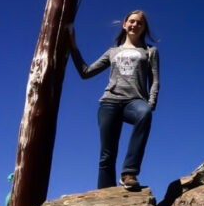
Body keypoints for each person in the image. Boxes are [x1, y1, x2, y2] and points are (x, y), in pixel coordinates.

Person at [67, 10, 160, 190]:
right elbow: (86, 72)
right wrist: (73, 47)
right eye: (132, 21)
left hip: (134, 101)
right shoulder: (113, 52)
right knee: (107, 155)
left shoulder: (150, 51)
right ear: (124, 25)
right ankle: (105, 194)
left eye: (139, 23)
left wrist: (151, 103)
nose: (135, 25)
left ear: (144, 28)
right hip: (109, 102)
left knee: (144, 114)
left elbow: (155, 80)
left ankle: (129, 172)